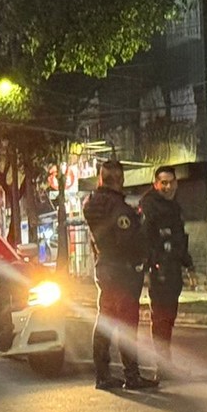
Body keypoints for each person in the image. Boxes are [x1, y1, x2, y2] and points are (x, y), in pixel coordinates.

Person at [83, 159, 156, 391]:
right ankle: (131, 376)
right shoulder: (119, 208)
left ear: (100, 178)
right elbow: (128, 241)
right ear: (120, 180)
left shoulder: (90, 204)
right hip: (122, 270)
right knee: (127, 324)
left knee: (104, 321)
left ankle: (102, 375)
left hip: (103, 266)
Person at [139, 165, 197, 383]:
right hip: (159, 269)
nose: (168, 186)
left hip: (173, 270)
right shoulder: (149, 206)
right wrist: (147, 266)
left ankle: (166, 365)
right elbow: (145, 239)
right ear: (156, 184)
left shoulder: (174, 207)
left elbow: (180, 240)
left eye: (171, 182)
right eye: (163, 182)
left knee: (168, 318)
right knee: (161, 319)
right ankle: (161, 367)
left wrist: (189, 266)